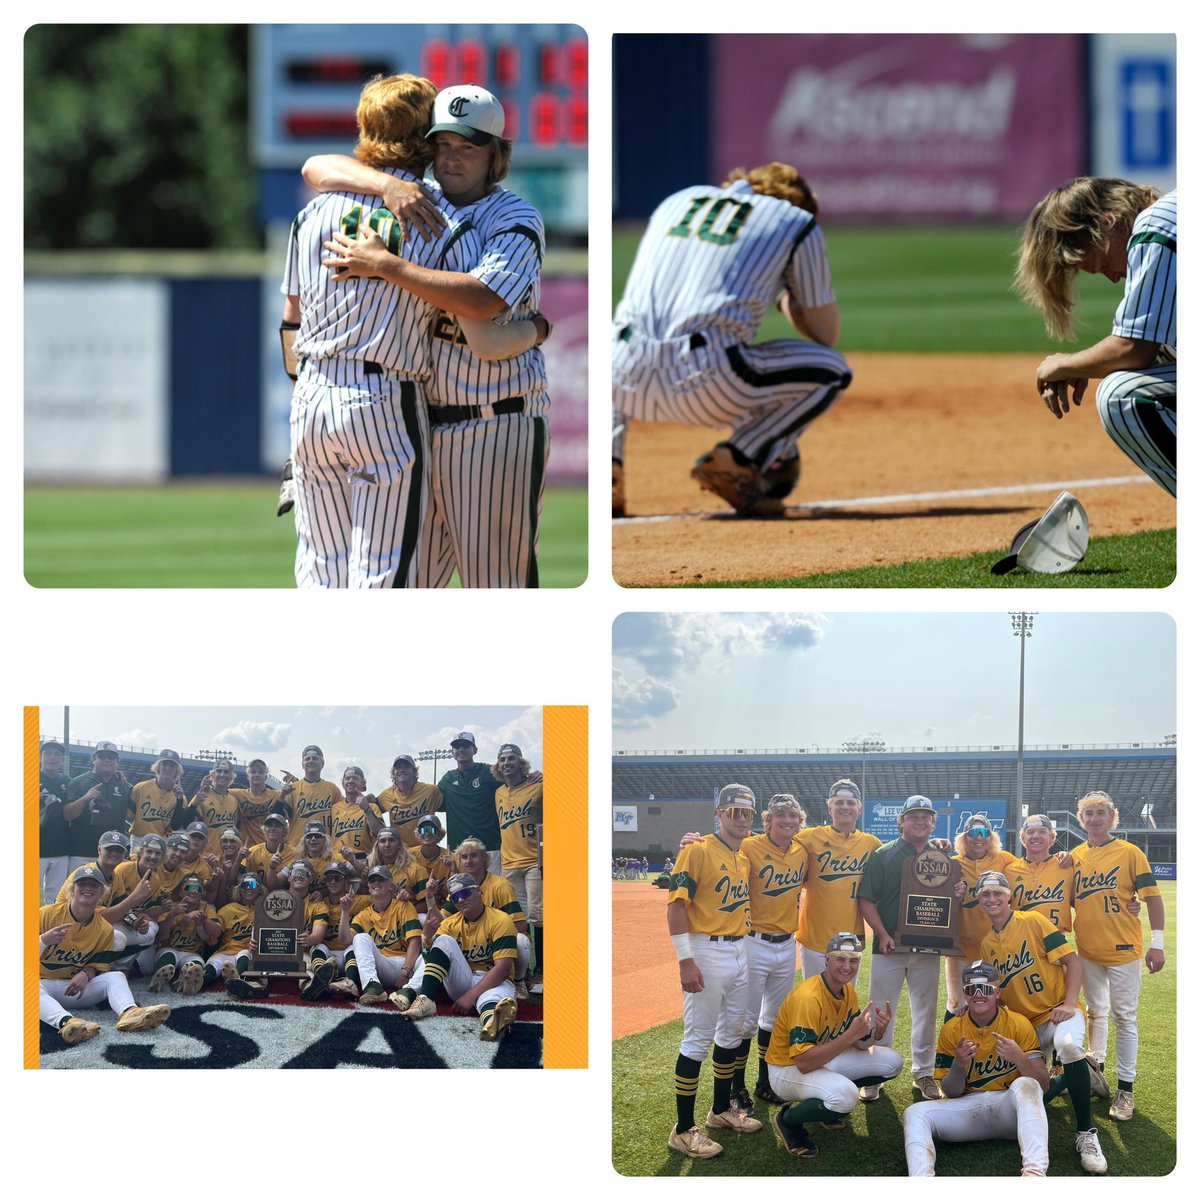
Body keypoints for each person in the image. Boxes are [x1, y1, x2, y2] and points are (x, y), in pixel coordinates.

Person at [310, 83, 553, 588]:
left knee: (496, 586)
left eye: (468, 146)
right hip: (415, 426)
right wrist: (385, 187)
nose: (452, 158)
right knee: (411, 589)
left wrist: (387, 265)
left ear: (496, 153)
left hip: (493, 423)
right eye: (443, 144)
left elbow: (483, 299)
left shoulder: (514, 216)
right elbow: (315, 166)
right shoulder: (418, 200)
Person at [611, 162, 851, 517]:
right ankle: (739, 457)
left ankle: (608, 467)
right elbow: (825, 333)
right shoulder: (796, 220)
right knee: (833, 371)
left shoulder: (678, 200)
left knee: (618, 341)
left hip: (619, 380)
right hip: (706, 382)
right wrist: (785, 296)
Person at [1015, 178, 1176, 496]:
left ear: (1106, 222)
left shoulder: (1154, 224)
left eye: (1102, 264)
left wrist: (1066, 364)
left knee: (1123, 394)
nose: (1114, 277)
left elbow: (1131, 349)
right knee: (1167, 354)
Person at [976, 870, 1108, 1173]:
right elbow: (999, 996)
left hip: (1057, 1013)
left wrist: (1070, 1002)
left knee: (1068, 1044)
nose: (993, 899)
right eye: (986, 894)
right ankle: (1082, 1074)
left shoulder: (1033, 920)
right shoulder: (986, 945)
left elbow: (1072, 960)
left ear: (1009, 896)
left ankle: (1086, 1132)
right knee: (1027, 1091)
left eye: (998, 893)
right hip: (1027, 1026)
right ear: (980, 900)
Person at [665, 783, 759, 1160]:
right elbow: (675, 907)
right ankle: (683, 1129)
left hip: (739, 948)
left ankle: (720, 1110)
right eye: (733, 812)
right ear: (718, 814)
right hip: (706, 949)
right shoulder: (697, 850)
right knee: (697, 1040)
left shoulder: (743, 856)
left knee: (732, 1033)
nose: (741, 819)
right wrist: (686, 960)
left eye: (747, 813)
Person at [902, 960, 1050, 1177]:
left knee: (1027, 1084)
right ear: (965, 993)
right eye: (972, 989)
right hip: (967, 1109)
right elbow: (951, 1092)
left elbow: (1043, 1085)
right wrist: (958, 1065)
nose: (979, 994)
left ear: (997, 992)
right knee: (915, 1113)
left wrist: (1019, 1058)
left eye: (986, 989)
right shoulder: (952, 1028)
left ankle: (1034, 1174)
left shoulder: (1018, 1023)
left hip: (1008, 1110)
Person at [1069, 790, 1165, 1121]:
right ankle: (1098, 1073)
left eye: (1101, 812)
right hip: (1088, 950)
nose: (1095, 818)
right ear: (1081, 820)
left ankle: (1126, 1089)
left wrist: (1158, 943)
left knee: (1124, 1016)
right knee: (1096, 1012)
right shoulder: (1075, 855)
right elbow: (1069, 899)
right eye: (1089, 813)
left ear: (1113, 817)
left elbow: (1152, 898)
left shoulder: (1130, 852)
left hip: (1123, 948)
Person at [766, 932, 901, 1158]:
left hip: (823, 1057)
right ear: (827, 960)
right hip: (786, 1069)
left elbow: (859, 1043)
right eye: (840, 959)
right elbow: (804, 1062)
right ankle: (788, 1120)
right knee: (846, 1096)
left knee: (892, 1063)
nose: (847, 967)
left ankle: (825, 1105)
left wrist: (876, 1032)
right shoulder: (808, 998)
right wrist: (849, 1037)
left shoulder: (846, 989)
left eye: (853, 960)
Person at [857, 794, 945, 1102]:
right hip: (890, 946)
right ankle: (875, 1074)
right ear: (902, 821)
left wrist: (958, 891)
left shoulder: (942, 856)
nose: (920, 821)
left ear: (933, 822)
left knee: (926, 1011)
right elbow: (866, 899)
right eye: (914, 816)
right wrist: (881, 934)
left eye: (926, 817)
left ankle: (923, 1073)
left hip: (928, 949)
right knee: (880, 1011)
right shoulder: (884, 854)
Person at [732, 794, 808, 1112]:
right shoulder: (750, 846)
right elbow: (719, 852)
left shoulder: (803, 851)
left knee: (774, 1020)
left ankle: (765, 1083)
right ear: (769, 820)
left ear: (799, 821)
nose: (787, 820)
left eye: (792, 816)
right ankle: (737, 1088)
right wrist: (693, 842)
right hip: (754, 941)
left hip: (787, 944)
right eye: (780, 815)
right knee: (744, 1020)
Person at [39, 864, 171, 1044]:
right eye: (82, 884)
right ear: (72, 889)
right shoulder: (46, 915)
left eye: (94, 885)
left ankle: (130, 1013)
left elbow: (97, 964)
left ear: (102, 893)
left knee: (115, 976)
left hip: (73, 989)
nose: (87, 888)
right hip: (40, 986)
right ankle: (69, 1023)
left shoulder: (104, 928)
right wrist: (43, 940)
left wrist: (87, 973)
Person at [389, 872, 520, 1040]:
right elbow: (431, 963)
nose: (460, 900)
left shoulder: (500, 920)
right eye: (455, 897)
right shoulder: (450, 923)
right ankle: (426, 999)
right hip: (463, 978)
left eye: (464, 893)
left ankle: (492, 1022)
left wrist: (470, 996)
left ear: (479, 891)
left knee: (491, 1000)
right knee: (443, 940)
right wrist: (427, 938)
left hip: (494, 980)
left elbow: (503, 969)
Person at [794, 779, 881, 982]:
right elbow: (771, 844)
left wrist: (933, 845)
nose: (845, 807)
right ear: (829, 807)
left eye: (850, 803)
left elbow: (899, 861)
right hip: (815, 941)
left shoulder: (871, 844)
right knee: (814, 1004)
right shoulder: (808, 837)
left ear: (859, 808)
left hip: (852, 942)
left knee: (845, 1006)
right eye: (839, 802)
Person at [944, 813, 1017, 1020]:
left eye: (983, 833)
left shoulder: (1004, 859)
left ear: (990, 837)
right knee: (957, 1003)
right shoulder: (953, 863)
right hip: (961, 948)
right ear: (965, 838)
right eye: (973, 833)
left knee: (999, 999)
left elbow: (1027, 868)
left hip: (996, 946)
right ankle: (950, 1050)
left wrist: (1061, 858)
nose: (978, 838)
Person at [329, 864, 422, 1004]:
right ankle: (373, 986)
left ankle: (409, 990)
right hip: (383, 965)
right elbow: (345, 940)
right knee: (360, 938)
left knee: (431, 952)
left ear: (391, 886)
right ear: (369, 888)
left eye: (381, 879)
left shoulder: (404, 905)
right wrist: (345, 911)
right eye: (373, 880)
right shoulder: (364, 915)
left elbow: (415, 942)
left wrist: (405, 972)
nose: (376, 883)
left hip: (407, 964)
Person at [493, 742, 543, 993]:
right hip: (509, 862)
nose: (506, 763)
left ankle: (541, 970)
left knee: (538, 915)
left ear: (521, 762)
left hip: (534, 860)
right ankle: (520, 972)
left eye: (512, 758)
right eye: (502, 759)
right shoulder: (499, 791)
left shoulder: (538, 785)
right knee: (519, 918)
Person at [145, 872, 220, 996]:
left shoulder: (207, 909)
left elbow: (217, 933)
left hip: (193, 953)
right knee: (168, 957)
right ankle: (157, 979)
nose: (194, 891)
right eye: (189, 888)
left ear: (202, 894)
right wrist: (173, 914)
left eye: (198, 889)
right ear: (180, 892)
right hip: (169, 949)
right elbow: (161, 936)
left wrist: (203, 919)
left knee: (195, 965)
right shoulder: (173, 907)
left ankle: (185, 981)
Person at [437, 732, 503, 868]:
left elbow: (513, 782)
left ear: (475, 750)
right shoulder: (447, 779)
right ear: (452, 752)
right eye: (457, 746)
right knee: (463, 889)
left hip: (489, 847)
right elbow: (435, 803)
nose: (461, 749)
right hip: (459, 850)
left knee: (492, 888)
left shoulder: (488, 772)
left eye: (466, 746)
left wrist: (531, 776)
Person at [63, 742, 133, 871]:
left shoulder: (125, 786)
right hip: (81, 853)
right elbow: (67, 815)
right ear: (94, 759)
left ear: (117, 762)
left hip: (113, 854)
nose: (107, 759)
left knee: (112, 891)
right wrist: (85, 798)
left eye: (111, 757)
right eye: (102, 756)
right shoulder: (79, 782)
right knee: (77, 891)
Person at [278, 746, 342, 848]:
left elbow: (346, 810)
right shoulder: (292, 788)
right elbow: (279, 818)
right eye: (307, 759)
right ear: (302, 764)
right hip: (297, 846)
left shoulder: (332, 788)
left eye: (315, 758)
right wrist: (282, 796)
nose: (311, 761)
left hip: (324, 849)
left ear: (322, 763)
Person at [376, 754, 442, 846]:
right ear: (393, 773)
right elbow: (373, 815)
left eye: (406, 767)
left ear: (414, 771)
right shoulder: (385, 796)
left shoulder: (431, 791)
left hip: (425, 848)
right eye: (398, 768)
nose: (402, 770)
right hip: (401, 852)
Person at [128, 749, 188, 850]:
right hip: (139, 838)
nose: (167, 768)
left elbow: (175, 825)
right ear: (158, 766)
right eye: (164, 764)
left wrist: (179, 800)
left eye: (172, 765)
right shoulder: (140, 788)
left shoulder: (181, 798)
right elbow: (129, 814)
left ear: (177, 770)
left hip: (162, 839)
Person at [330, 766, 384, 871]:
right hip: (338, 862)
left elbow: (380, 833)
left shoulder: (372, 806)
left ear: (363, 783)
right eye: (347, 778)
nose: (351, 781)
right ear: (343, 783)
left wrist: (367, 809)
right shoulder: (334, 808)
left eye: (355, 778)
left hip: (363, 859)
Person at [184, 760, 240, 852]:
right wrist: (194, 804)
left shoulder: (233, 800)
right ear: (212, 775)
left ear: (231, 776)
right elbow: (186, 824)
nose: (222, 774)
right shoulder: (202, 795)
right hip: (206, 854)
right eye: (219, 771)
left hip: (227, 855)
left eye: (226, 772)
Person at [39, 740, 71, 899]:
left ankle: (48, 925)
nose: (52, 757)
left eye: (57, 754)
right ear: (40, 756)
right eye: (47, 753)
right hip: (35, 848)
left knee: (55, 898)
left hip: (60, 849)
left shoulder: (66, 781)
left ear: (62, 760)